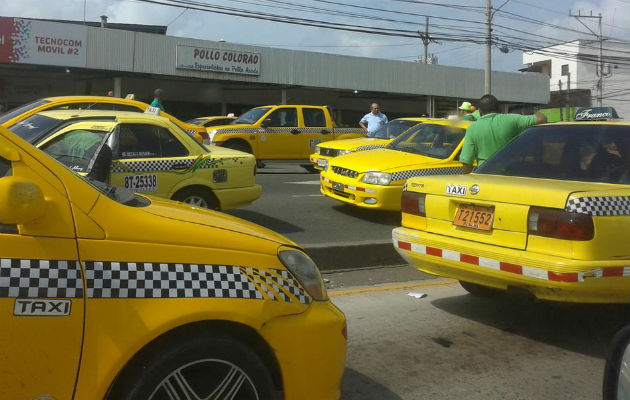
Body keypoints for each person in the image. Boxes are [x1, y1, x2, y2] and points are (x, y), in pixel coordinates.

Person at [460, 94, 547, 173]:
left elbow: (467, 162)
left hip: (485, 175)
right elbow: (541, 119)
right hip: (510, 173)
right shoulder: (512, 119)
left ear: (479, 111)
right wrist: (536, 111)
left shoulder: (472, 128)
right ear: (499, 108)